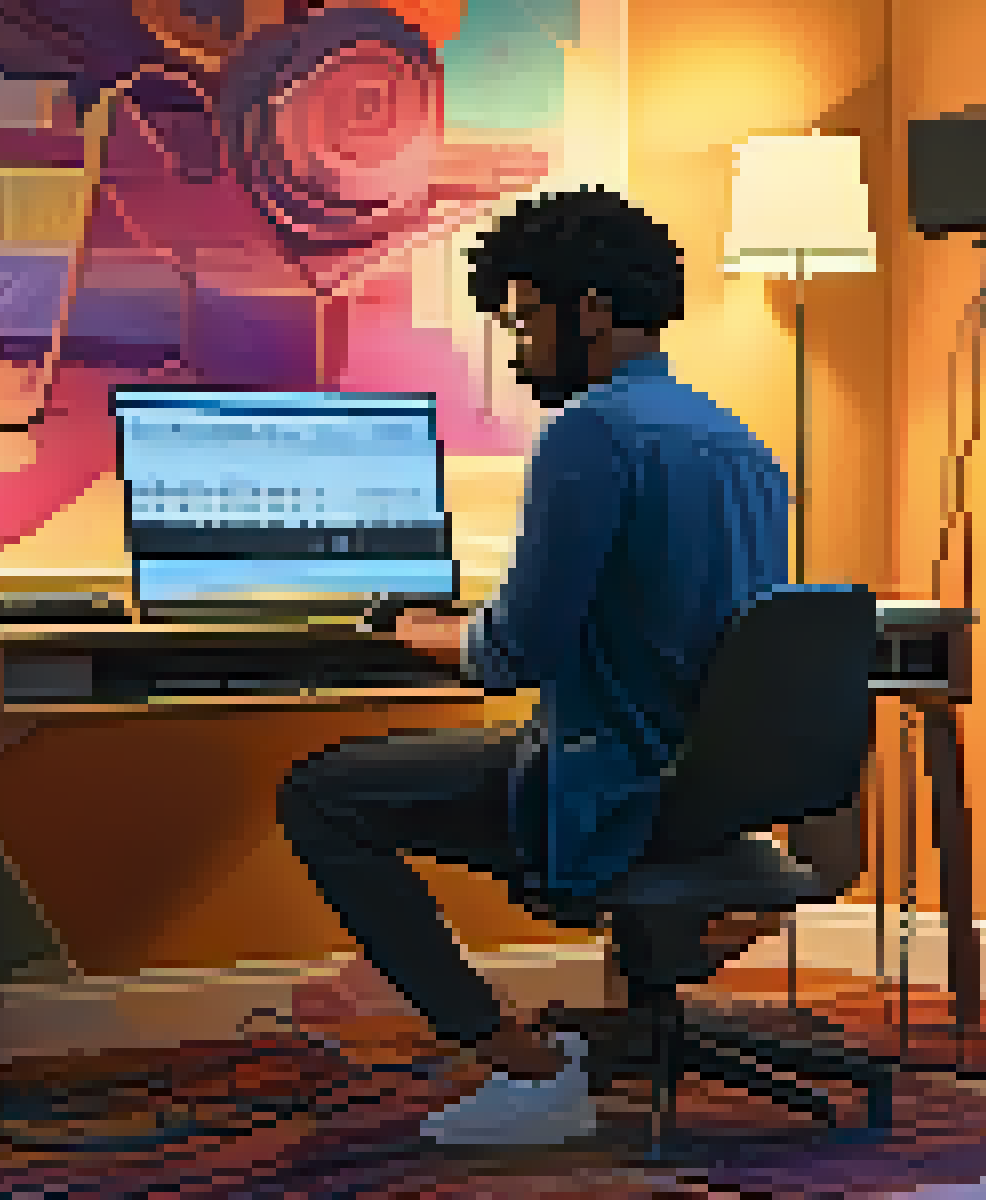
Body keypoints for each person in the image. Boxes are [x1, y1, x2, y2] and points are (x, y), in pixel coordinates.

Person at [277, 186, 794, 1146]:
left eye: (522, 323)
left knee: (322, 797)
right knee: (478, 756)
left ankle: (515, 1060)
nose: (517, 354)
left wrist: (412, 626)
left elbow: (510, 654)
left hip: (611, 786)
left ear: (586, 311)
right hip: (703, 787)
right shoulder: (739, 441)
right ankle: (595, 1030)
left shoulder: (591, 433)